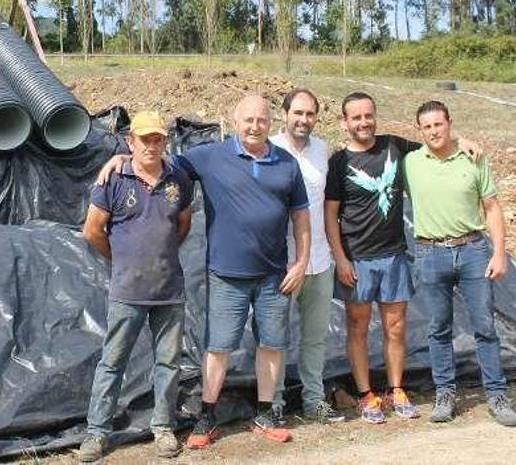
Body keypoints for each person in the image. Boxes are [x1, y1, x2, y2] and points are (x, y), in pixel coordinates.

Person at [96, 95, 310, 447]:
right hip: (226, 273)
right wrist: (122, 157)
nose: (255, 126)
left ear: (271, 123)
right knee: (217, 347)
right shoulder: (211, 156)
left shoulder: (286, 163)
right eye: (248, 120)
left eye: (261, 120)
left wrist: (300, 262)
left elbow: (301, 216)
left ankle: (266, 413)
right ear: (234, 121)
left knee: (271, 345)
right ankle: (206, 418)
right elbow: (158, 161)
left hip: (274, 275)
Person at [324, 92, 480, 424]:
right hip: (357, 259)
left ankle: (396, 389)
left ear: (375, 116)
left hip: (394, 255)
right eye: (356, 117)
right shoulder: (338, 162)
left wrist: (460, 138)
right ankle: (366, 394)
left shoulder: (395, 146)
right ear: (345, 122)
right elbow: (330, 214)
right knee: (358, 328)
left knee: (396, 327)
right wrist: (341, 259)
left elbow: (435, 145)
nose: (363, 122)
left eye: (369, 115)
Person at [79, 110, 194, 461]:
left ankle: (163, 428)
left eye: (158, 139)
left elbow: (183, 225)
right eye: (145, 139)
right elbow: (92, 230)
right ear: (131, 142)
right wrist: (122, 258)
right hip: (127, 290)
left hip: (169, 289)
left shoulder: (179, 179)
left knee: (169, 363)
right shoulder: (113, 179)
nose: (152, 145)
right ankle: (97, 433)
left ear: (165, 142)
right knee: (113, 362)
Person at [405, 100, 516, 426]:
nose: (434, 131)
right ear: (420, 130)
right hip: (430, 254)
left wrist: (498, 252)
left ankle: (496, 394)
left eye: (439, 125)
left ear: (449, 124)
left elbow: (492, 207)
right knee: (438, 329)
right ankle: (445, 394)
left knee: (485, 326)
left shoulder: (473, 158)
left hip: (472, 252)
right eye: (427, 127)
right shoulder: (411, 161)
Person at [269, 89, 345, 424]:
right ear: (284, 114)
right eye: (297, 113)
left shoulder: (321, 150)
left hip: (320, 260)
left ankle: (313, 401)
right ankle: (273, 403)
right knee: (274, 336)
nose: (303, 120)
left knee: (315, 337)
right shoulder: (269, 149)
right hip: (282, 263)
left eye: (310, 114)